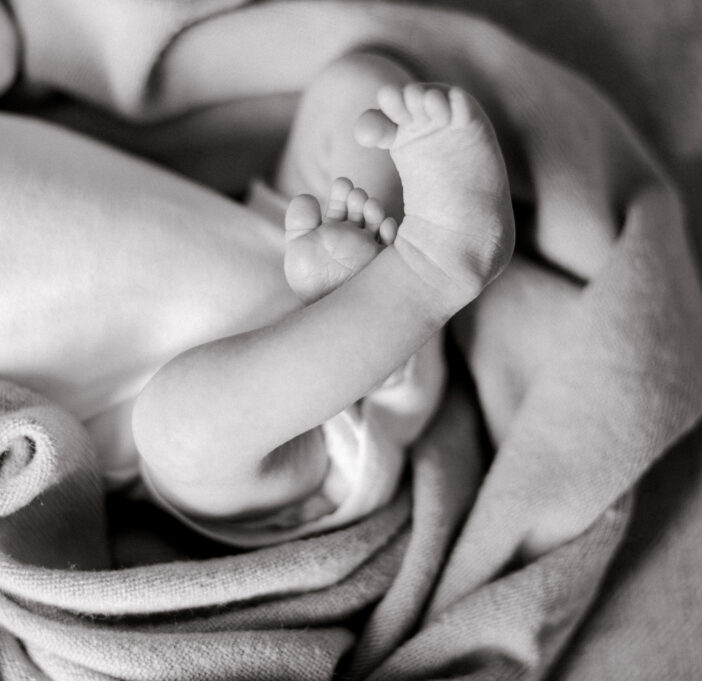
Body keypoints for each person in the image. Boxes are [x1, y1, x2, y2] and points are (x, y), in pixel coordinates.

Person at [131, 53, 515, 546]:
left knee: (360, 89)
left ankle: (353, 295)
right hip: (259, 434)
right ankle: (430, 267)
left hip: (269, 231)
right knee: (180, 432)